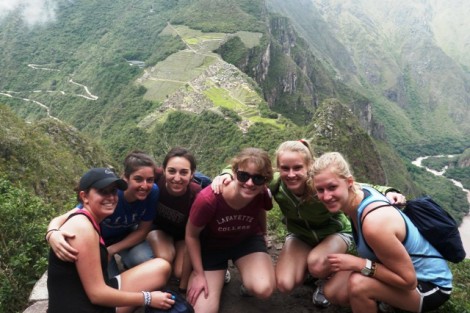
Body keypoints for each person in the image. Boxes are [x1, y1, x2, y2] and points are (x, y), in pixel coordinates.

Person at [211, 140, 406, 307]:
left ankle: (324, 278)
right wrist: (227, 174)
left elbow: (355, 186)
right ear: (278, 169)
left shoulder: (319, 185)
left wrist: (389, 191)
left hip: (335, 232)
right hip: (299, 235)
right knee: (285, 284)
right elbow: (248, 168)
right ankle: (310, 269)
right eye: (285, 168)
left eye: (297, 168)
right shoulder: (278, 183)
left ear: (308, 167)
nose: (291, 174)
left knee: (318, 263)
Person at [312, 152, 452, 313]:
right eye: (320, 190)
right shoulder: (359, 194)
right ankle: (385, 302)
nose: (326, 196)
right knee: (333, 292)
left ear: (349, 182)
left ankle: (380, 299)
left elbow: (408, 281)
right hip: (397, 269)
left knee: (358, 285)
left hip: (430, 285)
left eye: (332, 187)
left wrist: (359, 264)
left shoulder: (374, 224)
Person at [47, 167, 173, 313]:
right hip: (84, 305)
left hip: (83, 293)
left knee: (161, 268)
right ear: (84, 196)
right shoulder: (82, 228)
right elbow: (97, 294)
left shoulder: (85, 218)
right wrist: (148, 298)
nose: (111, 197)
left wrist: (51, 232)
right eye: (103, 192)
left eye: (113, 191)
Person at [186, 147, 276, 313]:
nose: (249, 183)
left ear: (265, 181)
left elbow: (261, 209)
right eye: (243, 176)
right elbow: (191, 235)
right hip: (212, 247)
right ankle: (220, 273)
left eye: (258, 178)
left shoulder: (262, 193)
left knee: (264, 288)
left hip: (246, 241)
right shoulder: (209, 199)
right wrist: (199, 274)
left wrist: (263, 234)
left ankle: (246, 277)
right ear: (234, 173)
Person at [47, 151, 159, 276]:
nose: (145, 185)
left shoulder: (152, 192)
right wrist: (51, 233)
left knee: (143, 259)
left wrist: (112, 250)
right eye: (138, 179)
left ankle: (126, 260)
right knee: (108, 280)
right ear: (125, 178)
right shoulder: (111, 195)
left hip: (125, 236)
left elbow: (143, 230)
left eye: (150, 180)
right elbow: (66, 217)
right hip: (98, 242)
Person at [146, 147, 203, 292]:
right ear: (163, 170)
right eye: (172, 171)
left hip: (183, 237)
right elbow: (130, 177)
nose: (177, 178)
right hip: (160, 229)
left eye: (184, 172)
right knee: (165, 258)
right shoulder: (155, 178)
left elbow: (193, 235)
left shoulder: (196, 195)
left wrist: (182, 287)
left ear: (192, 174)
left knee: (179, 272)